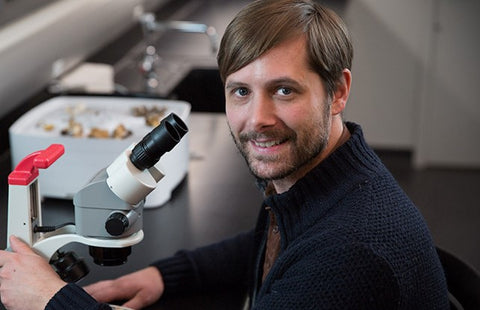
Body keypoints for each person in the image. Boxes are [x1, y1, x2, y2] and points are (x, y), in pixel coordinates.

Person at [0, 0, 450, 309]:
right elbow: (267, 245)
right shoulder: (322, 184)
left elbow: (315, 261)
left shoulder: (351, 253)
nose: (258, 119)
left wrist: (52, 300)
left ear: (338, 92)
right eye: (240, 91)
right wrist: (166, 276)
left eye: (284, 90)